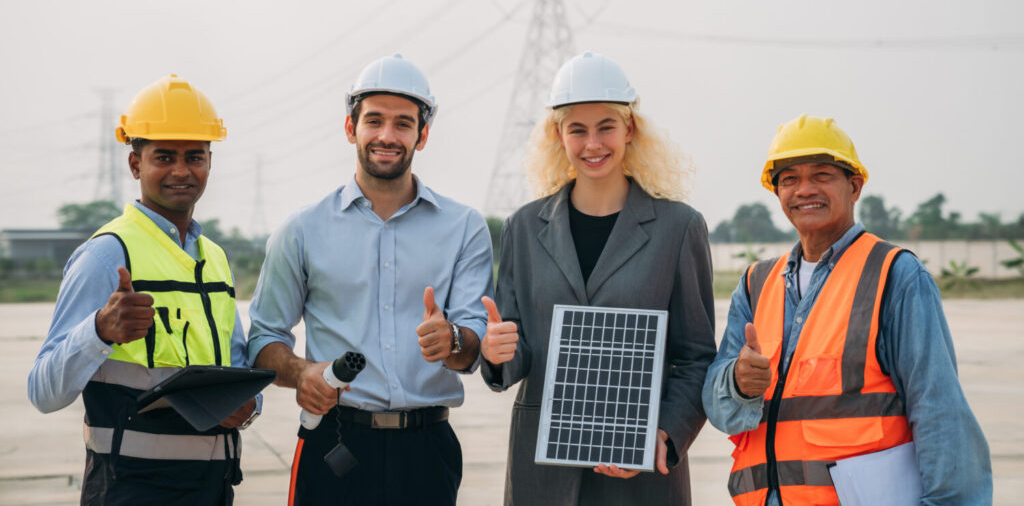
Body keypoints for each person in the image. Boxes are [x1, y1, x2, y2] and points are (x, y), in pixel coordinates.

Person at [702, 114, 992, 505]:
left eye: (821, 175)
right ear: (777, 192)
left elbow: (940, 413)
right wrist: (738, 383)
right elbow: (719, 408)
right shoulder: (755, 285)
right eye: (789, 179)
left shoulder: (896, 276)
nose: (804, 189)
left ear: (854, 186)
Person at [247, 54, 493, 506]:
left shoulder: (465, 227)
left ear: (422, 135)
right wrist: (302, 372)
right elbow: (264, 338)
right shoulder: (302, 230)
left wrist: (454, 340)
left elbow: (473, 345)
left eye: (403, 123)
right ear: (349, 128)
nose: (386, 135)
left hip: (428, 450)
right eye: (374, 120)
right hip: (334, 444)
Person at [480, 52, 716, 505]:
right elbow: (517, 355)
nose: (593, 143)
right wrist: (495, 354)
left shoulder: (678, 227)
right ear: (558, 135)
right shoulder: (525, 228)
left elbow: (696, 356)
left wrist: (663, 436)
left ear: (630, 130)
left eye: (606, 126)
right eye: (577, 129)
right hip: (543, 480)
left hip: (640, 478)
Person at [28, 74, 259, 505]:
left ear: (210, 162)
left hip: (213, 488)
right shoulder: (105, 255)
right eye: (163, 156)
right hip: (130, 490)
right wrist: (98, 331)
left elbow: (236, 368)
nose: (181, 170)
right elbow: (42, 391)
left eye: (195, 156)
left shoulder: (215, 258)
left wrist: (249, 406)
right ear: (136, 164)